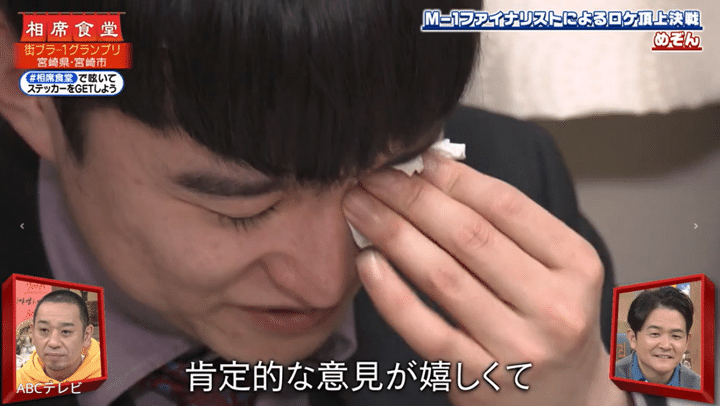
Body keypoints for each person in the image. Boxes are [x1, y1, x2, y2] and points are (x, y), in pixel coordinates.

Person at [0, 0, 666, 405]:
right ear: (31, 88)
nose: (325, 282)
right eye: (242, 206)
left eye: (393, 173)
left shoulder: (513, 180)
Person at [615, 286, 701, 390]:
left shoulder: (697, 386)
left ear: (687, 342)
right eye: (655, 334)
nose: (666, 345)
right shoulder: (609, 382)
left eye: (676, 336)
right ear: (633, 338)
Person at [15, 290, 102, 387]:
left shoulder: (106, 380)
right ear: (32, 333)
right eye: (44, 330)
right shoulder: (18, 382)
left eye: (66, 331)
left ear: (86, 335)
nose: (53, 343)